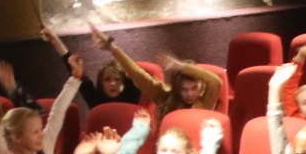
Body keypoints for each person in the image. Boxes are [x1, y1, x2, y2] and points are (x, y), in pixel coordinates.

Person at [88, 22, 222, 115]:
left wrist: (181, 66)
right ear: (176, 88)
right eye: (184, 89)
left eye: (194, 88)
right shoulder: (164, 96)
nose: (190, 94)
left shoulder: (205, 102)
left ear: (201, 87)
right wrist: (112, 48)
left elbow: (216, 82)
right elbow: (137, 74)